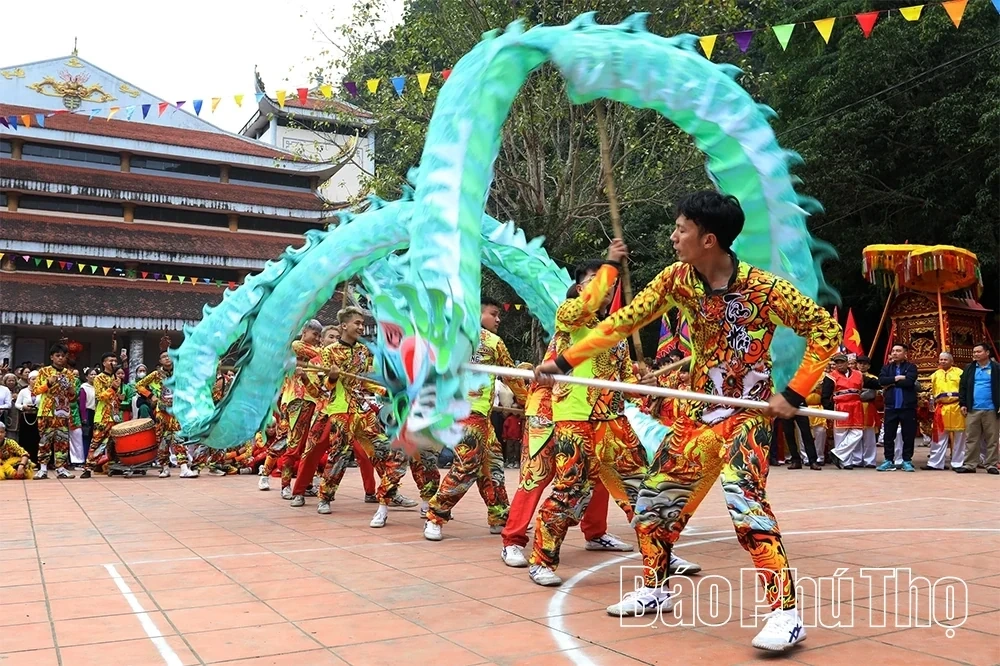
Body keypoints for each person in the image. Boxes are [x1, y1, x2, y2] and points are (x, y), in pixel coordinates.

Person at [535, 191, 840, 652]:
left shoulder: (764, 289)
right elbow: (622, 323)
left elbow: (825, 330)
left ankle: (786, 614)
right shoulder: (677, 279)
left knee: (746, 507)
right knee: (651, 504)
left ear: (708, 239)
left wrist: (794, 392)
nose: (674, 237)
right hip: (696, 419)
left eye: (681, 229)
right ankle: (655, 588)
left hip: (747, 415)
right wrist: (564, 361)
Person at [424, 297, 528, 541]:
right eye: (493, 314)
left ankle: (499, 517)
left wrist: (527, 398)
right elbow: (511, 377)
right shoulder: (467, 339)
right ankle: (435, 515)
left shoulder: (478, 340)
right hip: (465, 415)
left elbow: (510, 375)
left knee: (493, 466)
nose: (498, 319)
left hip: (483, 418)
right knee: (466, 466)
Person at [823, 353, 879, 469]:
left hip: (856, 407)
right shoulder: (830, 377)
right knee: (841, 435)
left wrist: (891, 381)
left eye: (842, 362)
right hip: (840, 406)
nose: (839, 365)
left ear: (847, 363)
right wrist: (830, 411)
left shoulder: (858, 375)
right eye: (837, 363)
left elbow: (873, 383)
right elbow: (825, 396)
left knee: (857, 433)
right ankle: (846, 462)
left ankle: (837, 453)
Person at [32, 343, 79, 479]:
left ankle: (61, 468)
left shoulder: (69, 374)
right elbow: (36, 390)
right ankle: (43, 469)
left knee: (62, 440)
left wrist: (71, 390)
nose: (60, 358)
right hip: (46, 411)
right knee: (45, 440)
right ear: (51, 357)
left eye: (63, 356)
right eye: (57, 355)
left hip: (63, 412)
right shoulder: (44, 371)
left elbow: (73, 397)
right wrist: (48, 383)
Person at [956, 343, 999, 474]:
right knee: (971, 438)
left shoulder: (997, 368)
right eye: (974, 352)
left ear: (987, 353)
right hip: (973, 408)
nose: (975, 354)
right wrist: (963, 403)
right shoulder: (969, 368)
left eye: (979, 351)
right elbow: (963, 387)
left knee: (992, 438)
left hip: (992, 409)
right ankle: (970, 464)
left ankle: (991, 464)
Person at [877, 344, 919, 472]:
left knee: (908, 435)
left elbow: (910, 382)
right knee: (889, 435)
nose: (895, 353)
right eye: (893, 351)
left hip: (907, 407)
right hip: (891, 406)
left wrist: (891, 382)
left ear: (905, 353)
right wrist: (897, 378)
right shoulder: (886, 368)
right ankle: (888, 460)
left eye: (898, 351)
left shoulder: (911, 367)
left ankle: (907, 460)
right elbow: (881, 380)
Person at [926, 352, 966, 470]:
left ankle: (958, 463)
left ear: (951, 361)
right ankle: (935, 463)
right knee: (938, 436)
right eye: (941, 359)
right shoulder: (935, 375)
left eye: (945, 359)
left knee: (960, 436)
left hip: (957, 407)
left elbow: (965, 389)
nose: (942, 361)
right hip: (941, 408)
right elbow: (932, 392)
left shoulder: (960, 373)